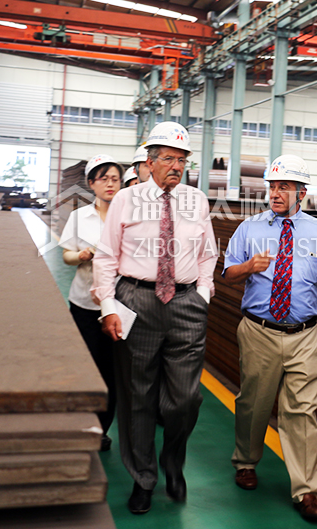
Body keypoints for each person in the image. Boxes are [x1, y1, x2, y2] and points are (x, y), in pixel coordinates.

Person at [92, 122, 217, 515]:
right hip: (137, 300)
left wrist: (203, 293)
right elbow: (106, 256)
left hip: (186, 304)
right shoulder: (126, 200)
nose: (176, 166)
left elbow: (208, 254)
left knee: (185, 399)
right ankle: (143, 479)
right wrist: (108, 306)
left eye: (182, 160)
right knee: (138, 397)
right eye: (168, 158)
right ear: (150, 161)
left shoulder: (196, 201)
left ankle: (172, 463)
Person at [223, 154, 317, 522]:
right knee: (254, 403)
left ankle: (306, 490)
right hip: (259, 333)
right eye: (272, 186)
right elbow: (228, 273)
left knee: (302, 412)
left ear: (301, 193)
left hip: (305, 336)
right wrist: (249, 267)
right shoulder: (249, 229)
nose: (275, 193)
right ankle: (246, 462)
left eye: (284, 187)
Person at [58, 154, 122, 452]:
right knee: (87, 366)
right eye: (104, 179)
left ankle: (102, 429)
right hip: (84, 304)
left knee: (111, 371)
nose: (110, 184)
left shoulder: (130, 218)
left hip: (118, 307)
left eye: (115, 179)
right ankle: (80, 424)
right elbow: (66, 256)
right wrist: (82, 255)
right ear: (91, 183)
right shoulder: (79, 217)